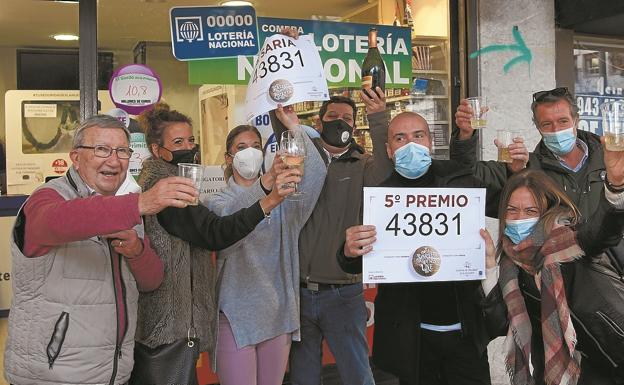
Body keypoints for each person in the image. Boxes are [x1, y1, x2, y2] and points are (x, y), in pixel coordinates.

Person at [4, 114, 197, 385]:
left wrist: (136, 251)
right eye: (101, 150)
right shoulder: (47, 199)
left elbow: (152, 281)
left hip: (114, 373)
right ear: (75, 157)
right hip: (52, 376)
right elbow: (58, 221)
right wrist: (139, 203)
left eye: (122, 151)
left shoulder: (123, 208)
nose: (114, 160)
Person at [337, 111, 513, 385]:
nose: (411, 144)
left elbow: (507, 204)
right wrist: (348, 252)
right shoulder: (379, 198)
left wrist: (517, 170)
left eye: (418, 136)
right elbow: (363, 257)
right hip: (411, 338)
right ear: (389, 150)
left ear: (430, 142)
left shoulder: (459, 180)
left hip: (464, 333)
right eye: (400, 138)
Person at [134, 103, 298, 374]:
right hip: (169, 322)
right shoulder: (165, 189)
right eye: (177, 142)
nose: (188, 147)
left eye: (190, 140)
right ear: (156, 150)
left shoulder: (179, 182)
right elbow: (215, 232)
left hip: (183, 319)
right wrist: (268, 200)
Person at [270, 87, 393, 385]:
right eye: (333, 116)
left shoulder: (364, 166)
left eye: (347, 118)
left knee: (357, 374)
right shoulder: (300, 158)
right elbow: (281, 122)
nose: (340, 122)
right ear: (320, 121)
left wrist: (379, 118)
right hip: (299, 292)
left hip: (343, 293)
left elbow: (386, 173)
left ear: (354, 124)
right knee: (303, 376)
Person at [479, 157, 624, 385]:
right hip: (568, 373)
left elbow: (602, 231)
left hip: (615, 353)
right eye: (512, 211)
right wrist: (489, 267)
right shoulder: (511, 265)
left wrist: (615, 189)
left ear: (547, 210)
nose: (519, 219)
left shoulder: (571, 241)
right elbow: (499, 324)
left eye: (530, 211)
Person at [204, 113, 325, 385]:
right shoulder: (217, 201)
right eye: (241, 148)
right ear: (228, 157)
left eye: (255, 147)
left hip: (278, 313)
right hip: (234, 316)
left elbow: (317, 175)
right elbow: (229, 225)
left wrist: (294, 127)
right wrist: (267, 186)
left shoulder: (286, 199)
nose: (250, 153)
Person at [451, 87, 624, 268]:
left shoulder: (611, 160)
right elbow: (465, 180)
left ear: (576, 120)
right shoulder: (529, 168)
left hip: (614, 272)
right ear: (537, 127)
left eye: (563, 121)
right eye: (547, 124)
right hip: (556, 273)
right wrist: (466, 135)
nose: (556, 130)